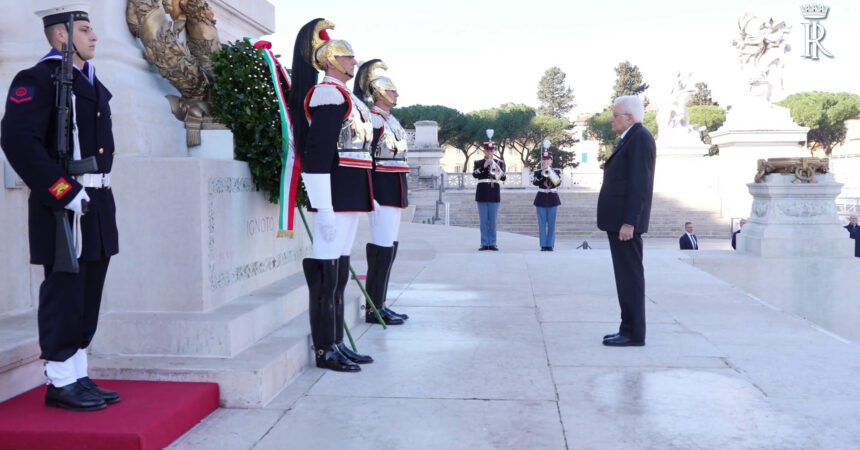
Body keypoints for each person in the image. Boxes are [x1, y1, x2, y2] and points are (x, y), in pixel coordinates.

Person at [0, 3, 120, 411]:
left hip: (96, 201)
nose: (94, 36)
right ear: (62, 35)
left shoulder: (88, 79)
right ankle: (59, 380)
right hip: (63, 203)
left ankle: (78, 374)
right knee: (64, 291)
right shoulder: (38, 78)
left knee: (89, 291)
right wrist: (62, 190)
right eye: (85, 29)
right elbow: (17, 140)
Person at [288, 18, 373, 372]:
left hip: (350, 191)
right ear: (331, 60)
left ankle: (337, 341)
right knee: (325, 270)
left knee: (338, 269)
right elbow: (318, 151)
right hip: (334, 192)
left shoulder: (346, 96)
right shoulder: (327, 94)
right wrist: (322, 206)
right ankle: (324, 349)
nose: (354, 62)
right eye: (348, 56)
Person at [597, 95, 656, 347]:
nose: (612, 119)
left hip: (625, 224)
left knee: (630, 278)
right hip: (619, 221)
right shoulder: (631, 138)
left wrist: (630, 222)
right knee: (625, 278)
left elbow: (639, 185)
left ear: (630, 118)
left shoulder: (640, 139)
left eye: (616, 115)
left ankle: (634, 333)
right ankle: (627, 327)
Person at [353, 59, 408, 325]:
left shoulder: (392, 119)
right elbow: (367, 157)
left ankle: (381, 304)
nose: (397, 94)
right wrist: (369, 193)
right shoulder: (373, 120)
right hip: (381, 189)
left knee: (390, 247)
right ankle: (374, 307)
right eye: (393, 90)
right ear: (380, 93)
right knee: (382, 246)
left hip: (395, 188)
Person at [473, 139, 506, 251]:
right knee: (483, 220)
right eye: (487, 150)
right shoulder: (478, 162)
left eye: (491, 150)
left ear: (494, 151)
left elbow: (503, 177)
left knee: (492, 220)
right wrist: (484, 165)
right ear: (484, 151)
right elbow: (475, 175)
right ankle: (484, 243)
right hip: (482, 193)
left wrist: (495, 165)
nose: (489, 152)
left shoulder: (499, 163)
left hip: (493, 193)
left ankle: (492, 243)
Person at [531, 151, 561, 251]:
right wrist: (542, 175)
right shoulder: (538, 172)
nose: (546, 161)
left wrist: (550, 172)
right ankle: (543, 245)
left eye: (548, 159)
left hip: (552, 198)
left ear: (551, 161)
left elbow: (557, 183)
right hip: (541, 198)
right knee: (542, 223)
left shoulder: (556, 172)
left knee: (552, 223)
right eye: (544, 160)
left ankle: (550, 244)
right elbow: (535, 183)